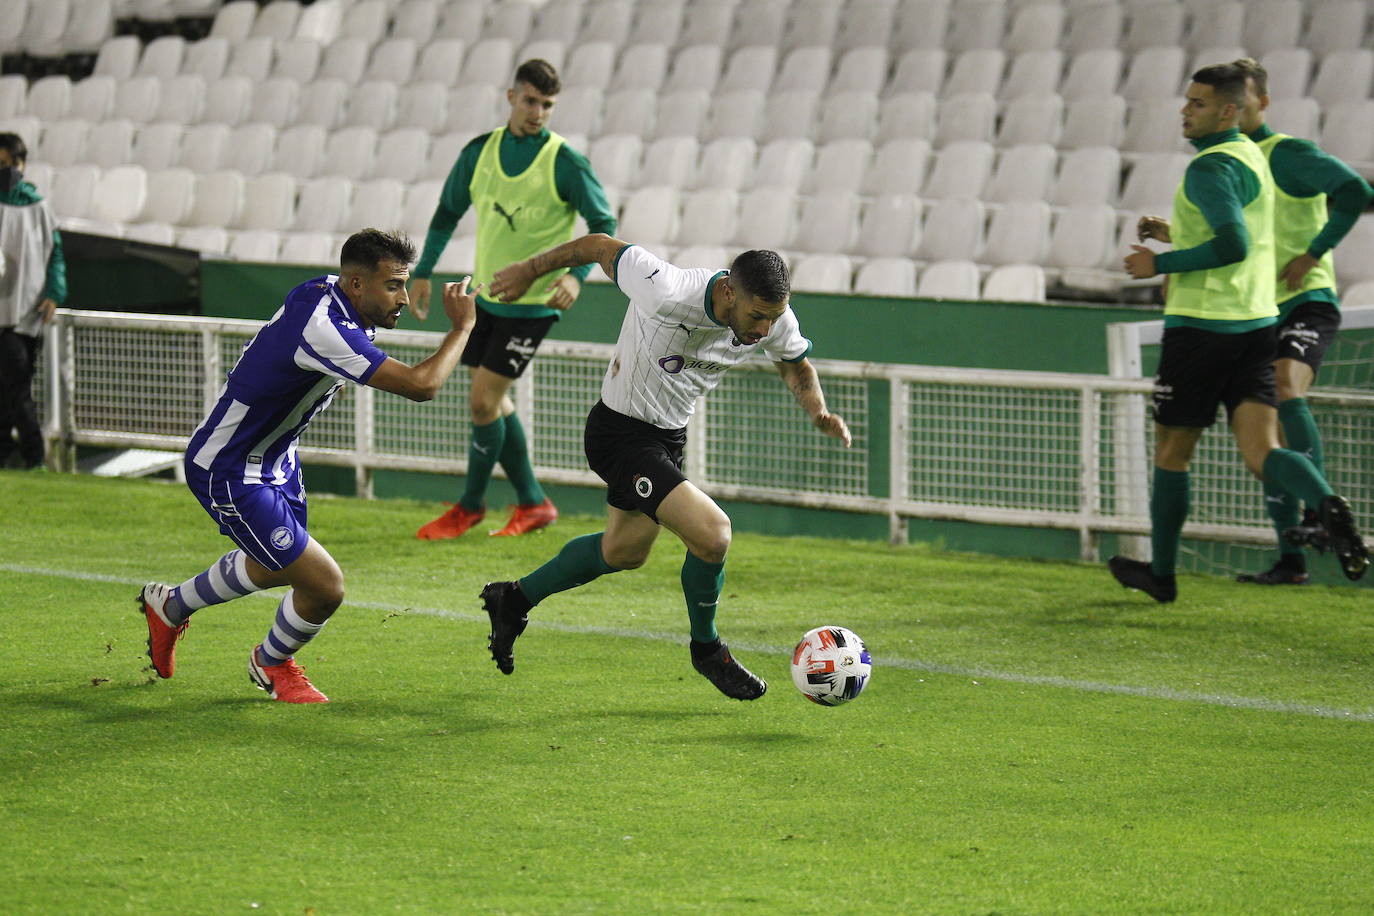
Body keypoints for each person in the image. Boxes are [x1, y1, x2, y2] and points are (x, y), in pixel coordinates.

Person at [477, 233, 852, 700]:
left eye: (772, 319)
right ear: (729, 292)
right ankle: (707, 649)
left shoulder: (772, 318)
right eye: (756, 317)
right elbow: (595, 245)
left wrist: (817, 411)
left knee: (624, 552)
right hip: (619, 434)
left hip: (666, 440)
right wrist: (529, 270)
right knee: (713, 534)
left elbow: (796, 365)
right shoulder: (666, 287)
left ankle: (512, 598)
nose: (762, 331)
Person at [139, 230, 477, 703]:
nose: (403, 297)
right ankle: (272, 663)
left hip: (277, 460)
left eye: (404, 283)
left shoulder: (329, 294)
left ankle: (170, 606)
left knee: (275, 565)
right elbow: (422, 386)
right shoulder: (324, 327)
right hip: (229, 467)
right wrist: (461, 328)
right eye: (394, 285)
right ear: (356, 284)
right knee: (324, 585)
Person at [1111, 62, 1368, 603]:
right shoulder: (1252, 155)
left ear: (1229, 109)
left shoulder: (1209, 168)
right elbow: (1242, 231)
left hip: (1204, 328)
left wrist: (1159, 265)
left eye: (1197, 104)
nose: (1185, 111)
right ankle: (1323, 504)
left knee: (1172, 453)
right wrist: (1178, 234)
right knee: (1261, 450)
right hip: (1256, 325)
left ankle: (1162, 574)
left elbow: (1233, 245)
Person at [410, 58, 618, 541]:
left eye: (548, 105)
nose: (539, 112)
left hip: (535, 304)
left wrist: (578, 275)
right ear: (511, 97)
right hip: (486, 300)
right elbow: (446, 213)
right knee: (494, 405)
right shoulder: (479, 153)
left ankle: (469, 507)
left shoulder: (565, 162)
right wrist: (421, 272)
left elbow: (603, 226)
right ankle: (533, 502)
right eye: (531, 101)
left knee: (483, 402)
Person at [1228, 57, 1374, 586]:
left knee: (1286, 385)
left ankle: (1318, 514)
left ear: (1261, 102)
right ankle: (1290, 559)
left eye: (1240, 99)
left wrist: (1314, 253)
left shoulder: (1286, 154)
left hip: (1305, 300)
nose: (1231, 108)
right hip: (1255, 309)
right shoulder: (1229, 163)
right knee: (1263, 432)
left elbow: (1357, 190)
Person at [0, 132, 65, 470]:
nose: (6, 170)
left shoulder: (38, 206)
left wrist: (54, 293)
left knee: (16, 385)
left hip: (26, 311)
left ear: (22, 163)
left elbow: (55, 255)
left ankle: (23, 453)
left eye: (10, 163)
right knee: (13, 386)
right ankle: (26, 453)